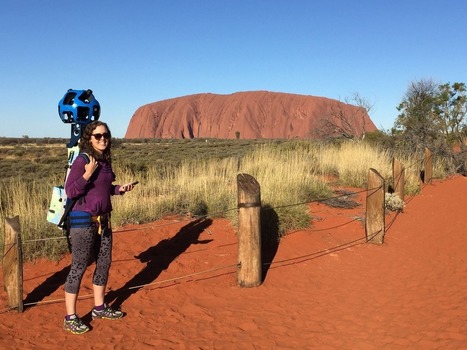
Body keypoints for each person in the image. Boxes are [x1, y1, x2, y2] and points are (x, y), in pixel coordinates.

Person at [63, 121, 137, 334]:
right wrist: (87, 173)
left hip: (104, 221)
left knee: (104, 263)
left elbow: (105, 188)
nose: (103, 139)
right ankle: (70, 317)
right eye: (98, 136)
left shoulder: (105, 162)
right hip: (82, 221)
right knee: (79, 266)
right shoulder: (83, 160)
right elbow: (70, 191)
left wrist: (119, 189)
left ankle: (99, 307)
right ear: (89, 138)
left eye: (106, 135)